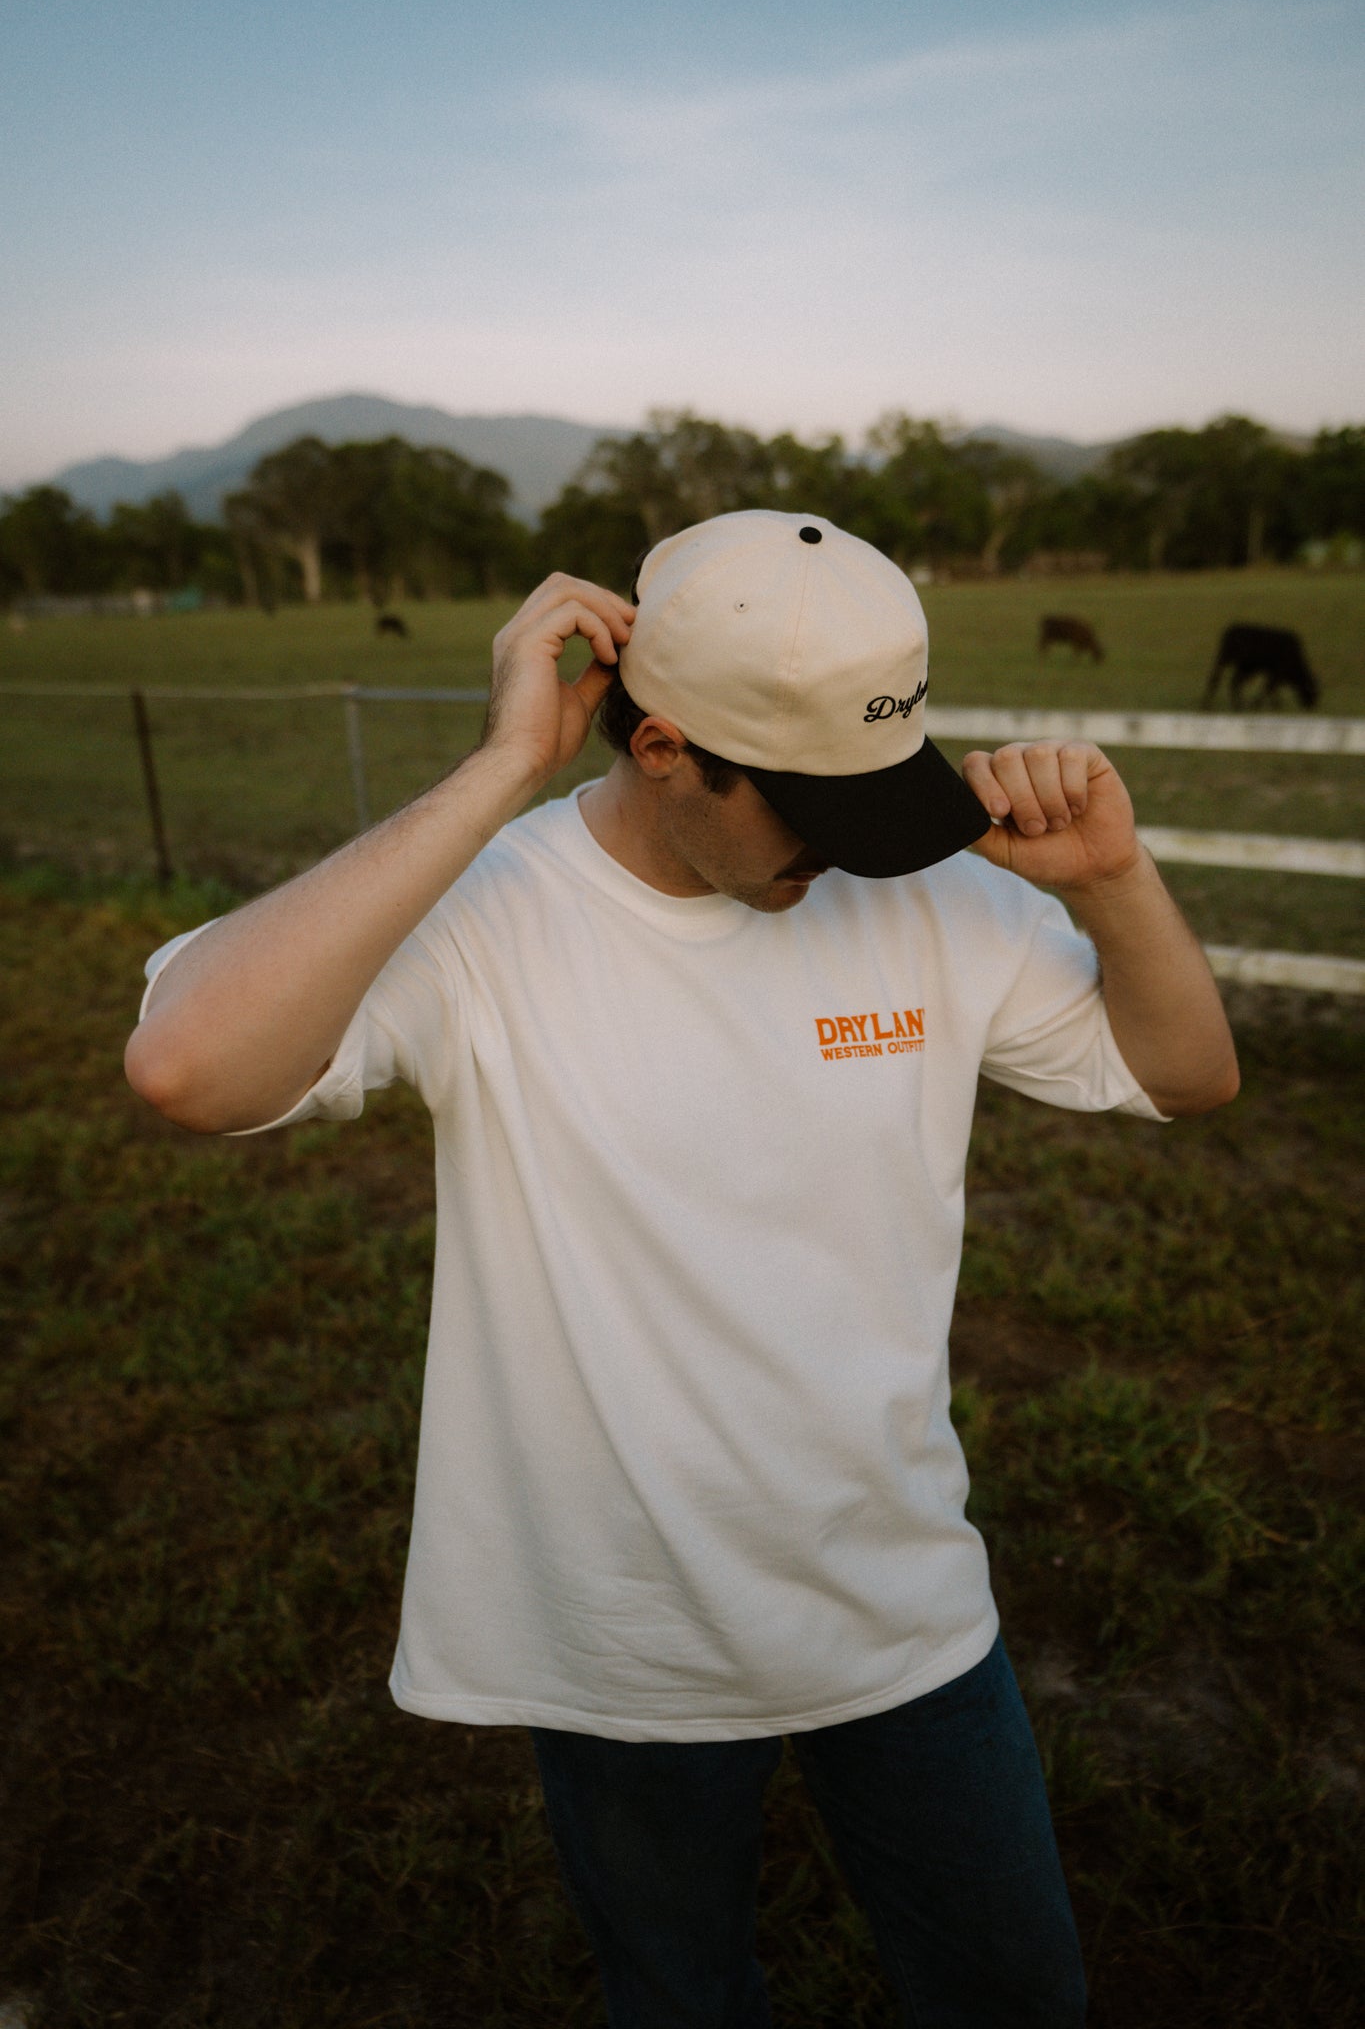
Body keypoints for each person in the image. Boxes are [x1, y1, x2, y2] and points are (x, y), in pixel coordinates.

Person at [125, 511, 1238, 2028]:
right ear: (661, 748)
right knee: (679, 1999)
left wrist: (1111, 882)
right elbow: (188, 1068)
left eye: (878, 794)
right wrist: (501, 769)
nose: (848, 851)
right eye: (809, 808)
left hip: (899, 1601)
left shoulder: (921, 891)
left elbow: (1184, 1076)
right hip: (620, 1633)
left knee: (1015, 1993)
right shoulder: (493, 918)